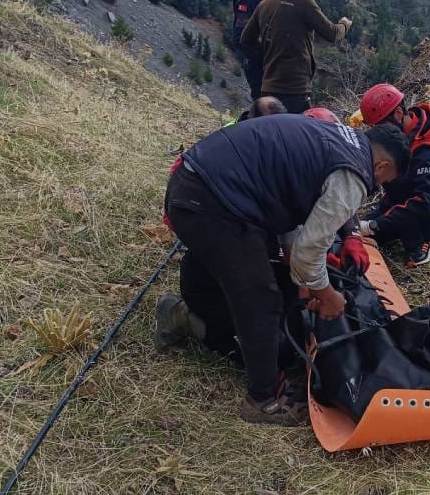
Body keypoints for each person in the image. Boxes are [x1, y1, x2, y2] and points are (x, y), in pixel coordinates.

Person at [157, 117, 409, 425]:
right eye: (383, 181)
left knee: (246, 270)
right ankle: (264, 399)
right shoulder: (353, 175)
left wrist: (299, 266)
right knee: (262, 300)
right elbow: (308, 253)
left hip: (194, 184)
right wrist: (327, 295)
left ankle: (182, 316)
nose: (377, 186)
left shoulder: (335, 138)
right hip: (215, 202)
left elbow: (288, 193)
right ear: (382, 165)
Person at [240, 0, 352, 113]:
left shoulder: (266, 3)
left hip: (267, 89)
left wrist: (268, 55)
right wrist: (344, 24)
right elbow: (332, 34)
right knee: (294, 128)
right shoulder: (303, 0)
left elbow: (245, 39)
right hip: (295, 90)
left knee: (272, 127)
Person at [358, 84, 430, 268]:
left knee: (377, 225)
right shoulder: (399, 136)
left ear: (398, 113)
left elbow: (424, 202)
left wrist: (374, 225)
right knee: (363, 228)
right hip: (398, 200)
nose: (379, 133)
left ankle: (418, 247)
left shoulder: (427, 151)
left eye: (380, 125)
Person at [230, 0, 287, 100]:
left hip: (279, 67)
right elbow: (240, 39)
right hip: (261, 69)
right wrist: (267, 57)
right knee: (267, 108)